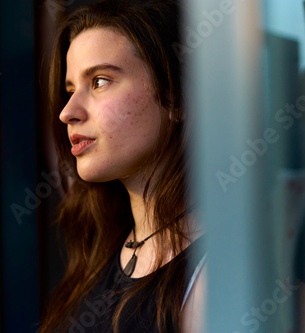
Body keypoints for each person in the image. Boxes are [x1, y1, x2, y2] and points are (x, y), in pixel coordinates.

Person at [39, 1, 205, 332]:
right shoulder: (105, 250)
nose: (68, 111)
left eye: (100, 81)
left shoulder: (217, 276)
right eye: (70, 90)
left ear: (175, 97)